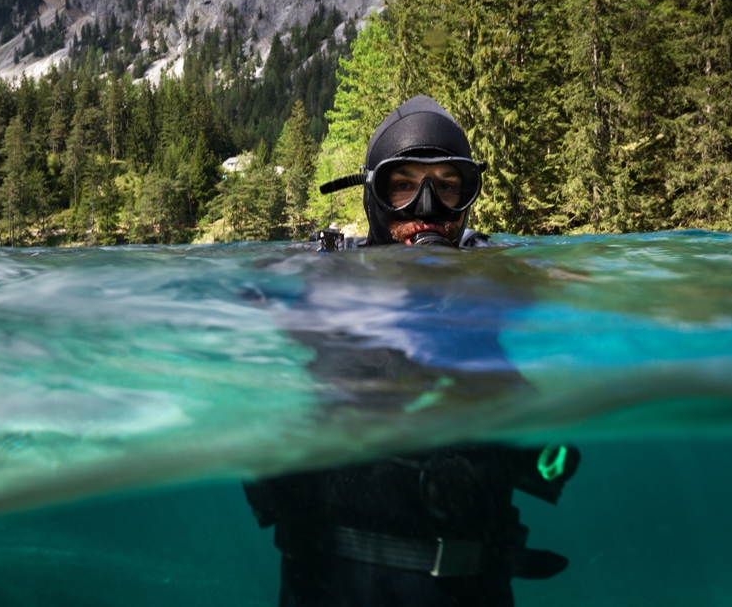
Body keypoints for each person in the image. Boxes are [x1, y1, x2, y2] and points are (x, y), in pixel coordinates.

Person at [243, 95, 579, 607]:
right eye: (402, 186)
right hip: (326, 586)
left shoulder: (496, 275)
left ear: (468, 196)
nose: (427, 211)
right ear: (372, 195)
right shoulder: (318, 276)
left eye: (447, 186)